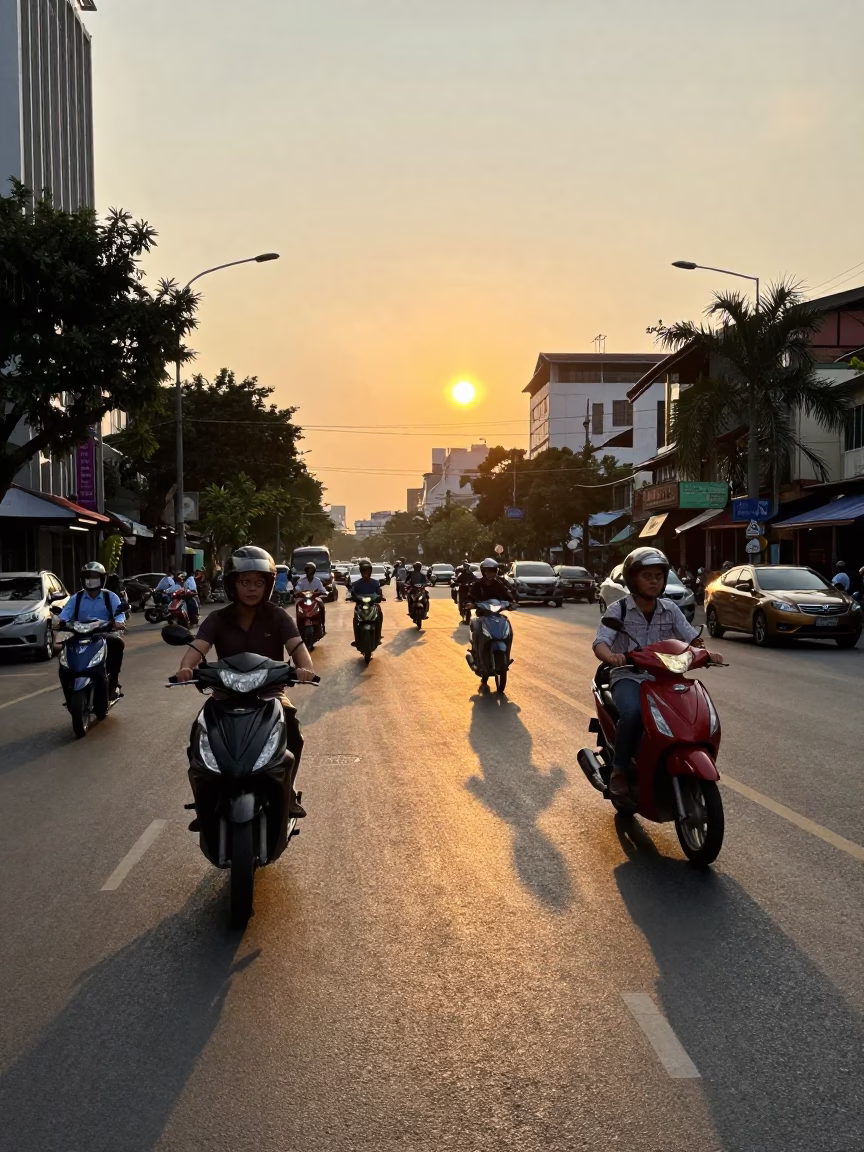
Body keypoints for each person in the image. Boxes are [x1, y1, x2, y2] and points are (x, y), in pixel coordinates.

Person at [175, 546, 316, 819]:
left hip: (270, 694)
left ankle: (288, 791)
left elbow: (298, 648)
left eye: (259, 582)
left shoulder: (277, 615)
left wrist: (305, 669)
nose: (252, 589)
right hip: (224, 695)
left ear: (269, 585)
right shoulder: (218, 618)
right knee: (198, 736)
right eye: (245, 582)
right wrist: (185, 668)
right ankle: (204, 798)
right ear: (232, 585)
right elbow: (197, 648)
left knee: (293, 729)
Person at [593, 547, 722, 800]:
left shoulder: (670, 609)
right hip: (628, 676)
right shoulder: (618, 610)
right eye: (647, 576)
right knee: (632, 714)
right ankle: (619, 770)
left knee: (692, 713)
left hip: (665, 678)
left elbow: (691, 638)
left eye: (658, 576)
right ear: (633, 580)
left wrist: (704, 653)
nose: (654, 581)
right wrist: (611, 657)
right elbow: (601, 642)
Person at [57, 561, 126, 698]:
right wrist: (58, 622)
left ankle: (113, 682)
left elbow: (119, 616)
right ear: (82, 579)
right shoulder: (76, 598)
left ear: (102, 579)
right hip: (79, 634)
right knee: (62, 656)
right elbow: (64, 616)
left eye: (95, 577)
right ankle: (68, 689)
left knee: (118, 643)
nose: (91, 581)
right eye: (87, 577)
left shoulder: (110, 597)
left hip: (103, 634)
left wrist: (118, 623)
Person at [347, 558, 385, 644]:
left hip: (372, 604)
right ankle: (357, 639)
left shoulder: (375, 582)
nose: (365, 573)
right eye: (364, 571)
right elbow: (352, 592)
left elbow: (379, 592)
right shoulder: (357, 583)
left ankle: (378, 636)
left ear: (370, 571)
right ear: (361, 572)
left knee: (379, 612)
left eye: (367, 571)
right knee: (355, 618)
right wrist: (351, 597)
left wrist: (380, 597)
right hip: (360, 605)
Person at [293, 562, 327, 630]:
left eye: (311, 570)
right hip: (304, 599)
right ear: (305, 570)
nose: (309, 571)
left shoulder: (317, 581)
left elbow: (322, 589)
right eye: (308, 569)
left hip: (315, 598)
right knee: (298, 605)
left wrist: (322, 592)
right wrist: (296, 593)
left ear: (314, 571)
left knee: (322, 605)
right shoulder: (301, 581)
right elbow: (297, 588)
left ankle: (323, 624)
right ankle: (299, 625)